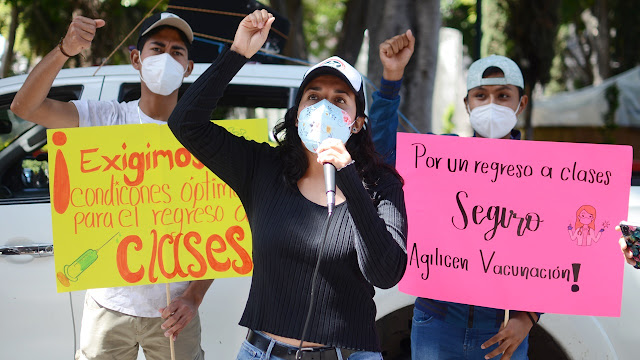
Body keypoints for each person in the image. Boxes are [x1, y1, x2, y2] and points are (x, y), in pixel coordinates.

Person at [168, 10, 408, 360]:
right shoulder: (262, 168)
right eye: (314, 97)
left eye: (340, 100)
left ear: (355, 124)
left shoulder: (381, 186)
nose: (325, 107)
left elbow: (386, 274)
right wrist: (236, 53)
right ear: (298, 115)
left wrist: (350, 181)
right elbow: (185, 123)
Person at [11, 12, 209, 360]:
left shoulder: (201, 138)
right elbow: (24, 107)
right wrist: (63, 50)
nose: (166, 58)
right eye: (157, 48)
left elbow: (216, 225)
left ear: (189, 68)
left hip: (176, 310)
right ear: (136, 58)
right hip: (106, 307)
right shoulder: (103, 119)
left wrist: (193, 297)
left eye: (177, 52)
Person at [370, 41, 540, 359]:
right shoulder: (441, 157)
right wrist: (391, 79)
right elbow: (381, 154)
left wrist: (527, 318)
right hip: (437, 324)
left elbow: (556, 251)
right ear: (467, 104)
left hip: (504, 330)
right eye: (481, 95)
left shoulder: (543, 172)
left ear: (522, 102)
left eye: (503, 95)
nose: (492, 104)